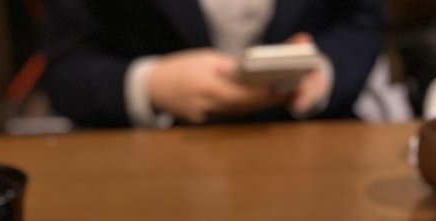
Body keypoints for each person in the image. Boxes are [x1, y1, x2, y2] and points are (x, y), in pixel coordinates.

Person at [39, 0, 388, 127]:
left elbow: (362, 21)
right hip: (151, 158)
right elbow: (65, 65)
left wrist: (322, 70)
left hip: (310, 142)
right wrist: (152, 84)